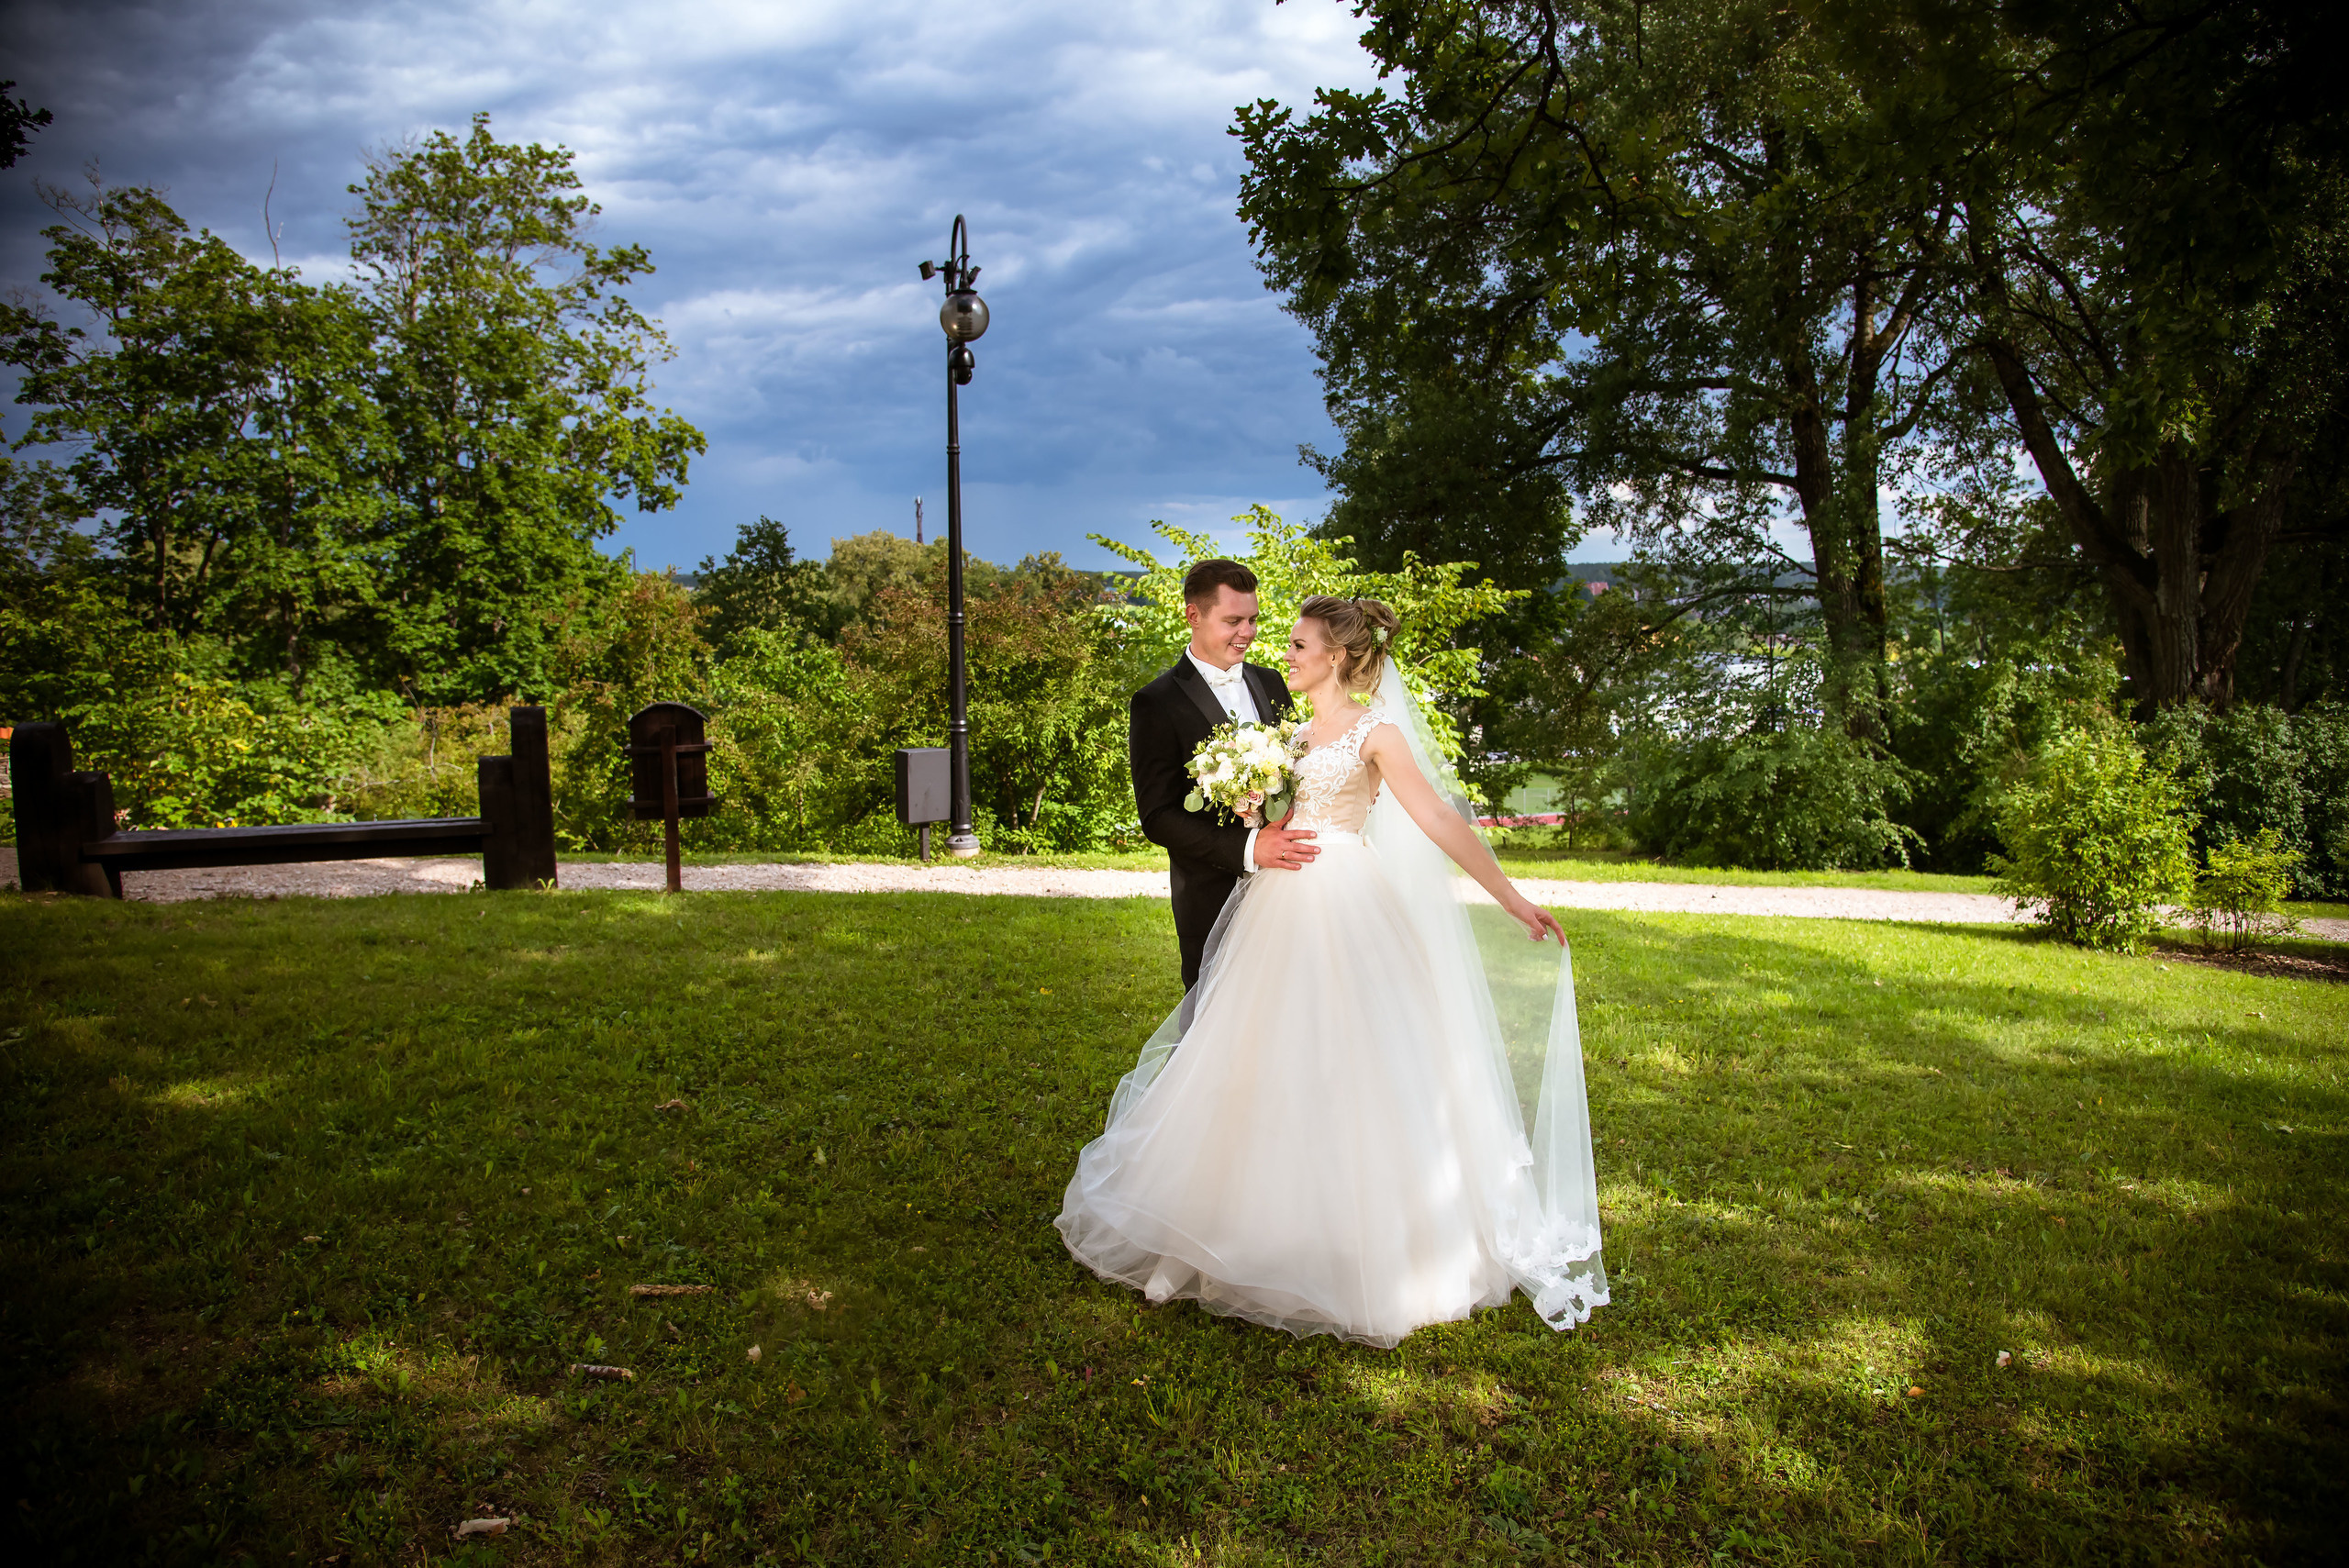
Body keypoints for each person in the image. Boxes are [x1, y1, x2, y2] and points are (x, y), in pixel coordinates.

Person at [1060, 595, 1609, 1347]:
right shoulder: (1284, 732)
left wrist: (1512, 898)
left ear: (1338, 656)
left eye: (1297, 642)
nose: (1281, 652)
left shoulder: (1375, 735)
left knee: (1351, 1065)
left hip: (1347, 901)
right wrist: (1255, 808)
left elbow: (1441, 819)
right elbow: (1272, 817)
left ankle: (1359, 1246)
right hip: (1276, 908)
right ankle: (1208, 1237)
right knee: (1248, 1061)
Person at [1127, 559, 1319, 990]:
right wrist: (1250, 847)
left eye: (1252, 619)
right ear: (1193, 615)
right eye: (1233, 620)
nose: (1247, 632)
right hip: (1210, 891)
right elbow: (1157, 816)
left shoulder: (1271, 682)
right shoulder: (1155, 702)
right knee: (1215, 1019)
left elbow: (1298, 766)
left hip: (1290, 886)